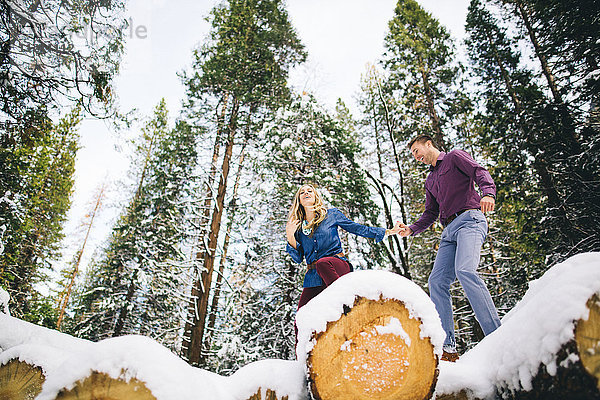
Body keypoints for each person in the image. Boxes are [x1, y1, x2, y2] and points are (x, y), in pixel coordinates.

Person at [398, 135, 501, 362]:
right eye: (413, 154)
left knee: (465, 270)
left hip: (470, 220)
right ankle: (448, 347)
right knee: (436, 281)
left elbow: (479, 171)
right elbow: (430, 213)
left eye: (417, 150)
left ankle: (497, 333)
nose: (416, 157)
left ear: (428, 144)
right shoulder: (430, 180)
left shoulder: (454, 157)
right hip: (448, 232)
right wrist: (411, 229)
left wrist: (488, 193)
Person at [286, 184, 402, 310]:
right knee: (301, 318)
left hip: (336, 265)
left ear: (316, 196)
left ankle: (346, 301)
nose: (306, 193)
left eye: (310, 191)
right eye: (302, 192)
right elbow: (298, 258)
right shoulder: (297, 227)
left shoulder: (331, 215)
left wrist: (389, 231)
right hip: (313, 275)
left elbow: (358, 228)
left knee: (323, 263)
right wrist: (289, 234)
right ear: (299, 200)